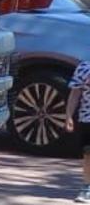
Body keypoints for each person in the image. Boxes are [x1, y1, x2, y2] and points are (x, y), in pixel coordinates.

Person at [68, 56, 90, 204]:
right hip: (87, 119)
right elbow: (75, 94)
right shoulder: (84, 68)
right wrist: (68, 115)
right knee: (88, 155)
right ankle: (87, 187)